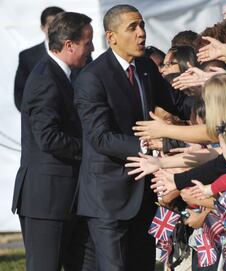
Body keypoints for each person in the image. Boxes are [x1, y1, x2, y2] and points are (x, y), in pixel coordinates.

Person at [74, 5, 192, 271]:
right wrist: (155, 146)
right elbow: (101, 138)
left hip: (144, 194)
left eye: (142, 26)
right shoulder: (92, 78)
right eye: (132, 28)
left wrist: (220, 100)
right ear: (111, 37)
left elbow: (178, 103)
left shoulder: (145, 67)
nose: (141, 34)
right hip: (108, 197)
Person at [11, 12, 95, 271]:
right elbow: (48, 138)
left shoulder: (66, 75)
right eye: (88, 41)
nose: (92, 47)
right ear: (69, 45)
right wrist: (90, 151)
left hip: (68, 196)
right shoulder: (44, 78)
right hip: (46, 200)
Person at [13, 6, 64, 112]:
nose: (55, 30)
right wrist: (33, 118)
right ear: (42, 27)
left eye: (59, 26)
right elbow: (20, 93)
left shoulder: (79, 52)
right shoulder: (28, 56)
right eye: (51, 26)